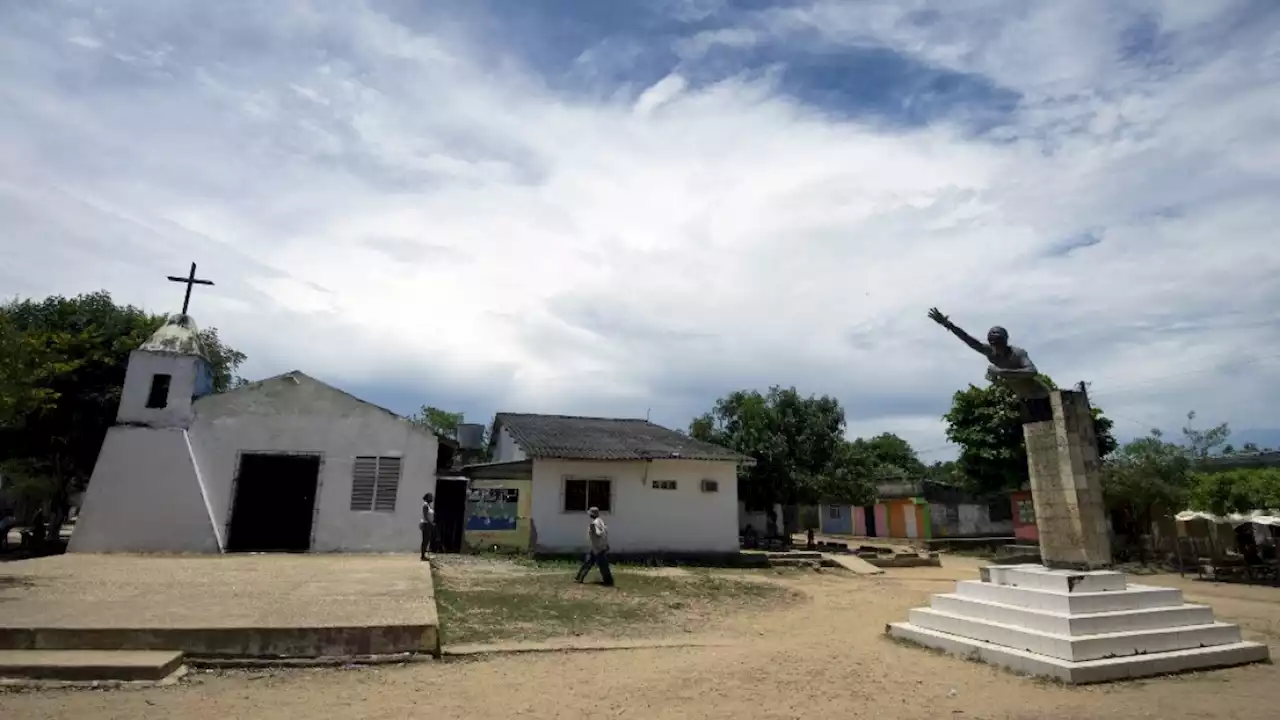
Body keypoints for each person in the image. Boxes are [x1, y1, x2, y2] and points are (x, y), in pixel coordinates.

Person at [927, 308, 1053, 422]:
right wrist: (947, 324)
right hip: (1024, 398)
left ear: (1005, 343)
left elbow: (1032, 371)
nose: (997, 349)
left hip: (1041, 395)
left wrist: (1002, 372)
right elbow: (967, 339)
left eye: (999, 345)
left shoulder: (1018, 353)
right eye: (994, 345)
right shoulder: (990, 352)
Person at [574, 507, 614, 586]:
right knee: (591, 563)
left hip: (598, 548)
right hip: (598, 547)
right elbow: (604, 532)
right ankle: (579, 578)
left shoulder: (595, 523)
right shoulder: (600, 521)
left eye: (590, 513)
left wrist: (595, 531)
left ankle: (608, 581)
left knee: (601, 565)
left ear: (592, 514)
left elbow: (599, 533)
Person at [420, 493, 436, 560]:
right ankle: (423, 556)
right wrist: (431, 523)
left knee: (427, 540)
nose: (432, 498)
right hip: (426, 524)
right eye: (430, 497)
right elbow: (426, 516)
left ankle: (424, 555)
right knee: (425, 540)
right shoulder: (425, 505)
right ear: (427, 498)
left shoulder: (429, 506)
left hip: (428, 524)